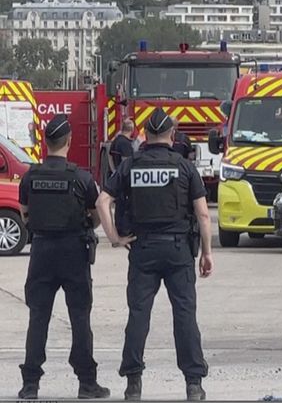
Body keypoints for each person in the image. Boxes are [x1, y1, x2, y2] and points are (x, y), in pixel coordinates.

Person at [96, 108, 213, 401]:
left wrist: (114, 238)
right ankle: (193, 384)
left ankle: (133, 383)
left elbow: (103, 201)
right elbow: (202, 214)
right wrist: (206, 253)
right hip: (177, 251)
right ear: (172, 136)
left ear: (144, 136)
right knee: (185, 316)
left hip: (143, 249)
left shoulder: (130, 165)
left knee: (138, 315)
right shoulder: (185, 168)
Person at [18, 114, 111, 400]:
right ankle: (87, 383)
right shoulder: (81, 178)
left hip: (42, 252)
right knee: (80, 317)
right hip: (73, 252)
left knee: (38, 318)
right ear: (69, 141)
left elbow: (25, 215)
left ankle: (30, 384)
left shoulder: (30, 176)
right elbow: (96, 218)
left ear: (45, 143)